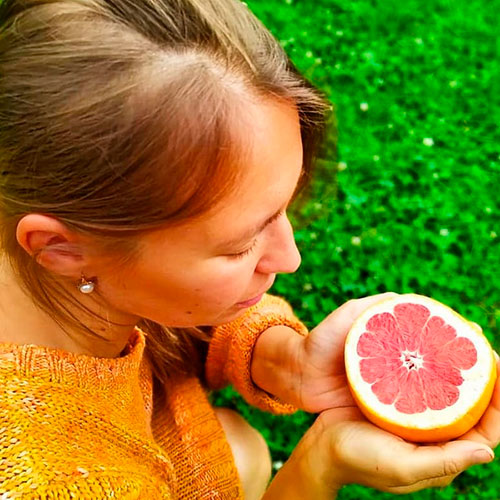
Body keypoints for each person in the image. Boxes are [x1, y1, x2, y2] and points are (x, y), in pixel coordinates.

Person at [0, 1, 498, 498]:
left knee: (241, 449)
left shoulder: (54, 238)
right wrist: (318, 468)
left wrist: (287, 361)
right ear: (60, 248)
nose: (290, 258)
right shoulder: (53, 484)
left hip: (180, 442)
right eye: (240, 246)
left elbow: (180, 322)